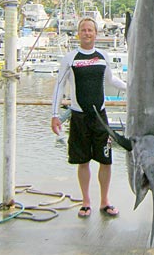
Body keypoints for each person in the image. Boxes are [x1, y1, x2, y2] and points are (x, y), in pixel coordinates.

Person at [51, 17, 127, 218]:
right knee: (82, 162)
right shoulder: (70, 58)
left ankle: (105, 201)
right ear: (78, 33)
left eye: (90, 30)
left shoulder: (103, 55)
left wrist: (131, 87)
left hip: (100, 117)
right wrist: (55, 115)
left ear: (96, 33)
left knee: (106, 161)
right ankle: (85, 202)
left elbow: (111, 79)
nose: (87, 33)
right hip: (78, 117)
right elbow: (59, 87)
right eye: (83, 30)